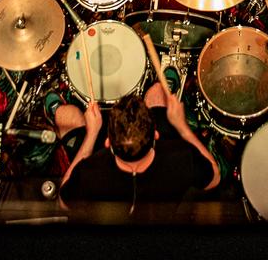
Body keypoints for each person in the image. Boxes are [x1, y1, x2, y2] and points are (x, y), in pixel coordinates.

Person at [56, 84, 219, 218]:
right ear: (156, 134)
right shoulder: (182, 158)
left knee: (65, 115)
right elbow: (214, 179)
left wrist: (91, 134)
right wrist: (181, 126)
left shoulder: (90, 172)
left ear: (107, 142)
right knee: (157, 92)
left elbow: (64, 203)